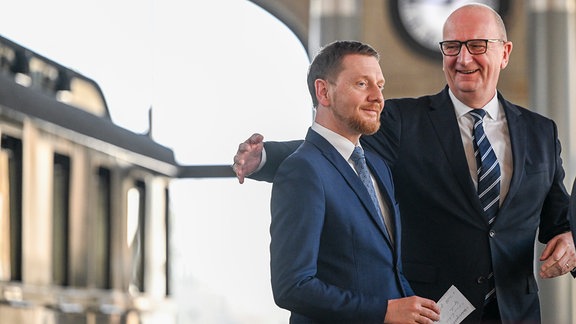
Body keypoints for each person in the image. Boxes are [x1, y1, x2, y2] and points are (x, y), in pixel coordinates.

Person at [233, 4, 576, 323]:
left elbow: (557, 214)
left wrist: (567, 238)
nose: (463, 58)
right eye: (452, 46)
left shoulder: (540, 132)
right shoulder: (401, 121)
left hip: (517, 312)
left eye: (477, 45)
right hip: (431, 311)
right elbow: (336, 149)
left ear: (505, 52)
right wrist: (264, 157)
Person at [269, 40, 440, 324]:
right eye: (362, 84)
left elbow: (387, 272)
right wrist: (384, 312)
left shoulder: (378, 166)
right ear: (324, 92)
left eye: (380, 85)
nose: (378, 97)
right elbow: (292, 287)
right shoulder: (302, 170)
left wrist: (419, 312)